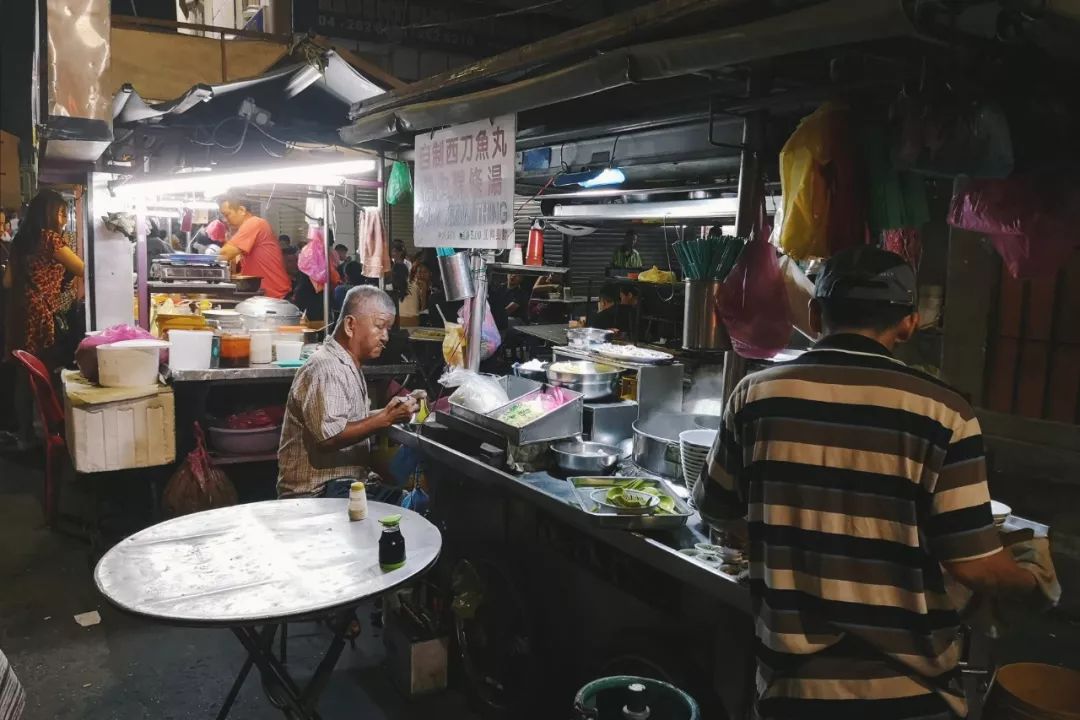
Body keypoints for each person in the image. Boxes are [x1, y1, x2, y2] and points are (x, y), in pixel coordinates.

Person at [695, 246, 1039, 720]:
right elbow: (974, 566)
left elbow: (718, 510)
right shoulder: (947, 413)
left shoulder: (755, 394)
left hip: (793, 694)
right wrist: (1037, 581)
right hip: (913, 698)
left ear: (815, 314)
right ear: (909, 323)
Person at [277, 286, 418, 499]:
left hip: (343, 486)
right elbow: (330, 437)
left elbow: (346, 420)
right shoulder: (327, 367)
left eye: (388, 329)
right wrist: (384, 419)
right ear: (351, 325)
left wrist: (391, 412)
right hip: (316, 495)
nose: (385, 337)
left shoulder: (347, 363)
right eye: (379, 327)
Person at [3, 190, 84, 449]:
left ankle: (25, 435)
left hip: (19, 314)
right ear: (49, 214)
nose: (63, 218)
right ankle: (50, 431)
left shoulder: (20, 241)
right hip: (40, 316)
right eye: (61, 213)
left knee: (22, 374)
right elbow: (84, 268)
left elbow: (7, 282)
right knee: (43, 373)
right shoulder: (50, 239)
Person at [216, 191, 291, 299]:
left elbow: (225, 254)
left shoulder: (255, 223)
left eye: (227, 214)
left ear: (241, 210)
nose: (225, 220)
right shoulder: (246, 228)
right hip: (264, 296)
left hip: (275, 296)